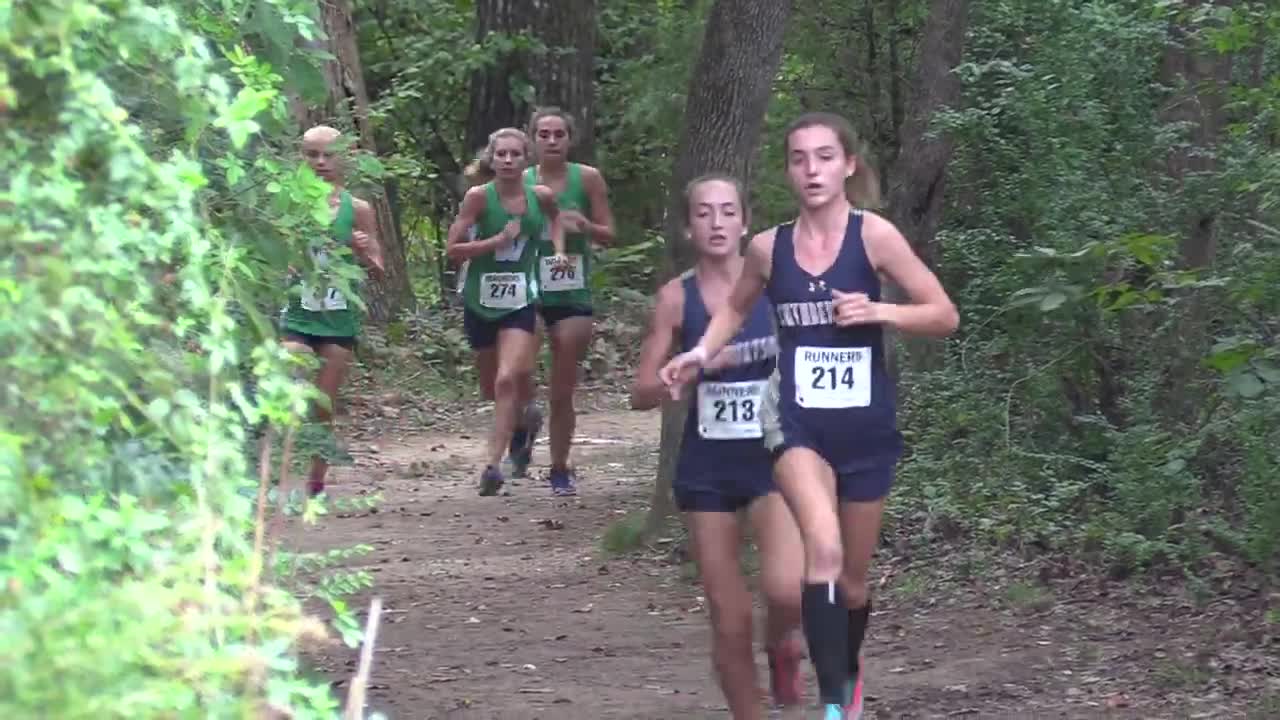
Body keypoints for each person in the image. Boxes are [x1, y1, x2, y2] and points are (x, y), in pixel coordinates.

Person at [659, 113, 959, 719]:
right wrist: (697, 352)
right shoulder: (768, 248)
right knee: (819, 552)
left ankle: (845, 672)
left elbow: (943, 314)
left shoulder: (873, 237)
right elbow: (735, 311)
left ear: (848, 165)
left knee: (850, 581)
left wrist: (881, 312)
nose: (812, 169)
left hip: (867, 430)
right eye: (799, 158)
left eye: (824, 157)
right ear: (789, 171)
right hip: (796, 426)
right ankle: (831, 705)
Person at [632, 174, 806, 718]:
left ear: (745, 223)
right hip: (708, 469)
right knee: (729, 617)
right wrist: (673, 378)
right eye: (704, 213)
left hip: (774, 460)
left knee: (785, 591)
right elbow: (639, 391)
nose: (716, 223)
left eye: (727, 212)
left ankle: (781, 647)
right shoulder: (675, 298)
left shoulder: (778, 285)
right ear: (689, 226)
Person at [447, 127, 565, 496]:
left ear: (527, 160)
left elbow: (556, 220)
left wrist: (558, 250)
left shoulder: (540, 196)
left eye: (516, 154)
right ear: (492, 159)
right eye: (502, 155)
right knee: (490, 387)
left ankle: (491, 466)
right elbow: (453, 249)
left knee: (506, 379)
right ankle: (522, 425)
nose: (509, 161)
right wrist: (495, 242)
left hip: (520, 301)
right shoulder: (478, 199)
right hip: (479, 302)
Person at [507, 106, 616, 495]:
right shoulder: (517, 179)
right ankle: (524, 420)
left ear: (570, 139)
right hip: (526, 290)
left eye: (559, 134)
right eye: (544, 134)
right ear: (532, 140)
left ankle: (559, 467)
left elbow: (609, 233)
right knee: (518, 373)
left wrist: (584, 225)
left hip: (571, 290)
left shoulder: (586, 179)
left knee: (562, 390)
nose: (552, 141)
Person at [280, 125, 385, 498]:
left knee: (323, 405)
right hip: (299, 315)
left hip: (338, 318)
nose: (321, 162)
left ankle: (315, 482)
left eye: (329, 154)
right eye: (312, 154)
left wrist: (361, 251)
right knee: (293, 372)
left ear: (345, 157)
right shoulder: (289, 202)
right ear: (301, 157)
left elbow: (379, 268)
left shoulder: (357, 209)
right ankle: (278, 466)